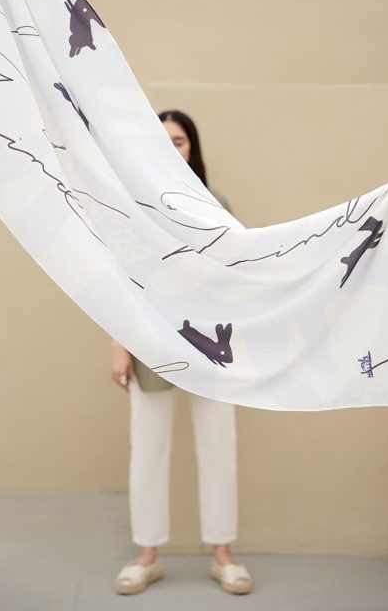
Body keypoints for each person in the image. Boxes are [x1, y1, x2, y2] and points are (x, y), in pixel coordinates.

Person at [110, 110, 253, 596]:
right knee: (147, 447)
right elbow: (123, 280)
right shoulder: (133, 205)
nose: (172, 148)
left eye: (179, 141)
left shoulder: (216, 205)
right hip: (151, 338)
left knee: (219, 444)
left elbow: (235, 277)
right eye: (163, 140)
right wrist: (119, 344)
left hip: (212, 342)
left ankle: (223, 554)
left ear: (192, 147)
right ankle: (147, 555)